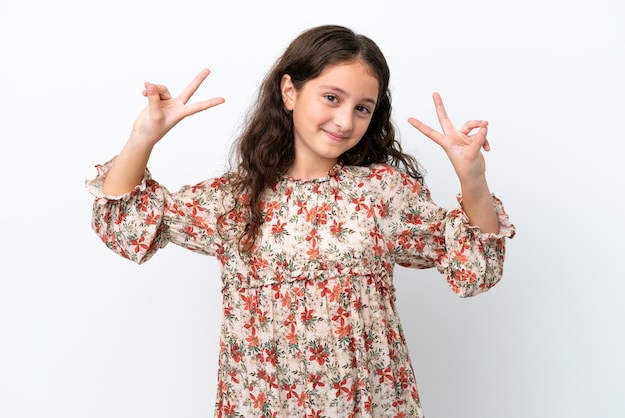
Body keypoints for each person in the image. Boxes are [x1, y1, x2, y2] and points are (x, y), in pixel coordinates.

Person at [86, 24, 515, 418]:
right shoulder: (232, 200)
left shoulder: (383, 192)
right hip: (261, 404)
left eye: (363, 108)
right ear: (289, 91)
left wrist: (472, 176)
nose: (346, 121)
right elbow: (125, 226)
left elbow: (475, 269)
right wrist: (143, 137)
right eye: (332, 97)